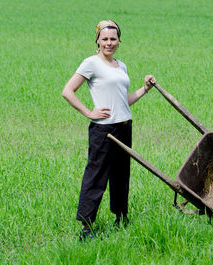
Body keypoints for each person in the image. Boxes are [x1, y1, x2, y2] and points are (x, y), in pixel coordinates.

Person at [62, 20, 156, 240]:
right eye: (104, 39)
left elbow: (123, 101)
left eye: (113, 39)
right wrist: (89, 112)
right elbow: (68, 91)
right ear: (97, 40)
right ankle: (86, 227)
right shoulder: (91, 63)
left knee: (121, 175)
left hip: (124, 126)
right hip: (104, 130)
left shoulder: (121, 66)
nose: (109, 43)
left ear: (119, 41)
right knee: (96, 177)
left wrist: (144, 89)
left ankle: (121, 217)